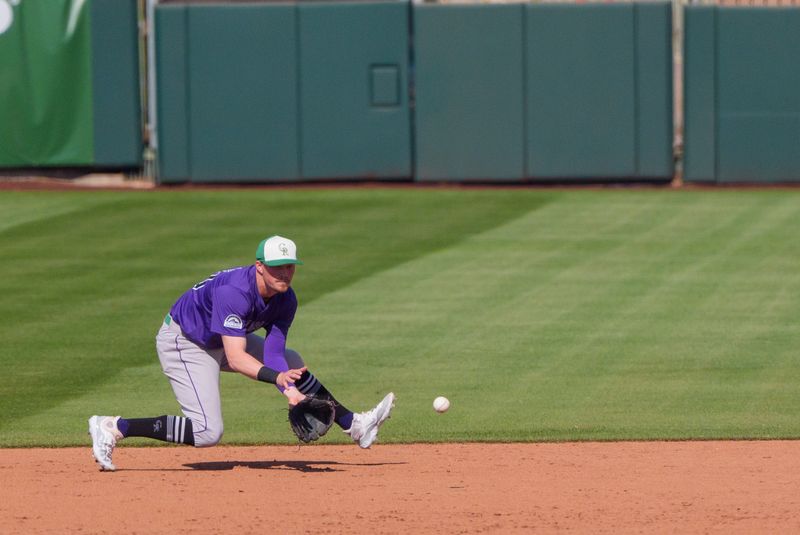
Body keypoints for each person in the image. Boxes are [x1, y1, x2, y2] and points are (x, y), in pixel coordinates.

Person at [88, 235, 395, 471]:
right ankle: (113, 427)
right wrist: (283, 386)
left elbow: (275, 353)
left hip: (220, 339)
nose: (285, 273)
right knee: (207, 432)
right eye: (277, 267)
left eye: (290, 266)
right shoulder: (234, 292)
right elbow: (235, 358)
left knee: (293, 362)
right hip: (185, 341)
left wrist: (289, 390)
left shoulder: (286, 299)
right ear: (259, 266)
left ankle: (355, 425)